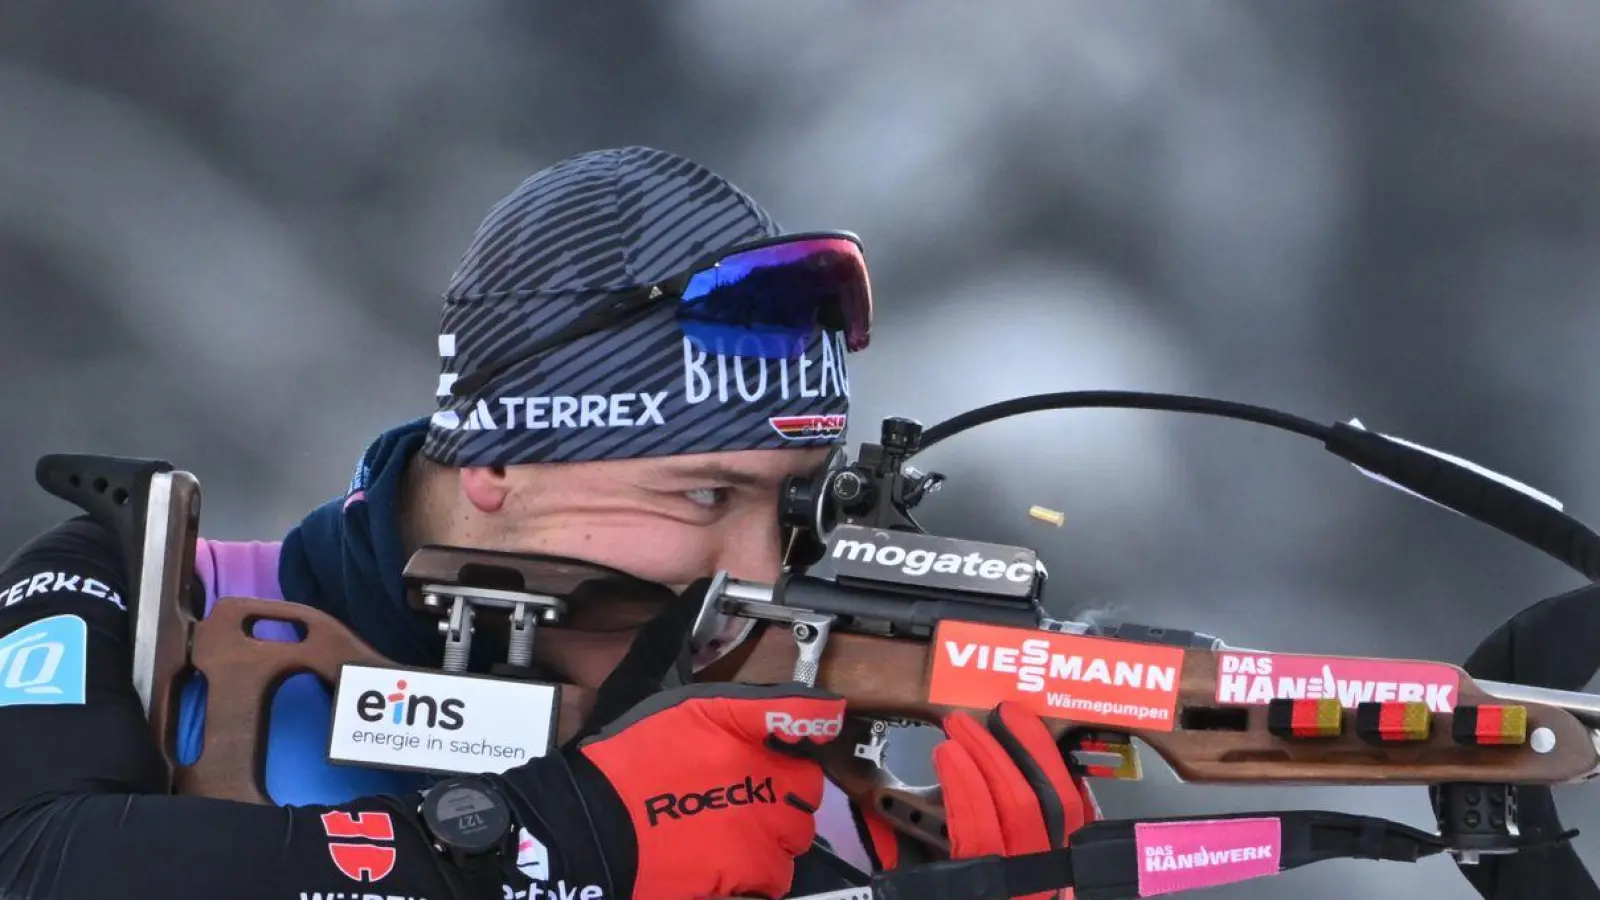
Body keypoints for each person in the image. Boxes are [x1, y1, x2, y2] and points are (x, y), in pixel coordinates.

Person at [0, 146, 1095, 900]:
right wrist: (549, 843)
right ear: (501, 457)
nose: (761, 567)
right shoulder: (158, 600)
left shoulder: (826, 790)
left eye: (795, 502)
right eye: (703, 496)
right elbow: (31, 860)